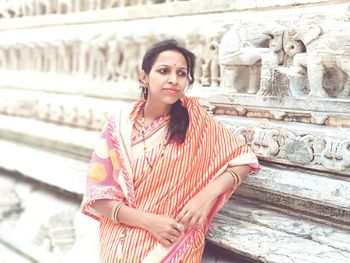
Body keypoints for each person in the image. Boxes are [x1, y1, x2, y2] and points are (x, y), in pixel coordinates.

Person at [81, 39, 260, 262]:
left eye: (182, 73)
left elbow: (244, 159)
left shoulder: (196, 122)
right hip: (120, 245)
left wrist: (205, 196)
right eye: (164, 71)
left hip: (174, 246)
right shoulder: (118, 127)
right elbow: (97, 196)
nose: (173, 80)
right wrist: (149, 222)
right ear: (144, 76)